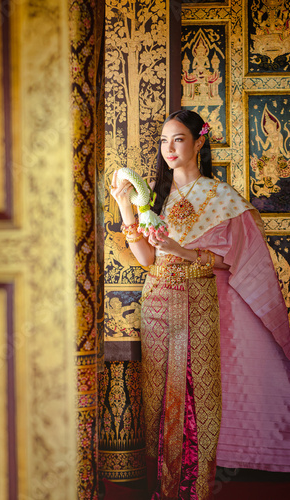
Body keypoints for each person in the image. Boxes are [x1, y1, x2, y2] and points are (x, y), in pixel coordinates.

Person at [110, 110, 290, 500]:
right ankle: (164, 485)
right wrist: (126, 205)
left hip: (201, 299)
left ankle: (197, 487)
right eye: (163, 141)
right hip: (155, 301)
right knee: (157, 391)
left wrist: (182, 250)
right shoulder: (154, 196)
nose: (169, 149)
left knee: (198, 391)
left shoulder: (221, 197)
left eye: (177, 139)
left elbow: (236, 261)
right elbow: (145, 260)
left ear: (198, 142)